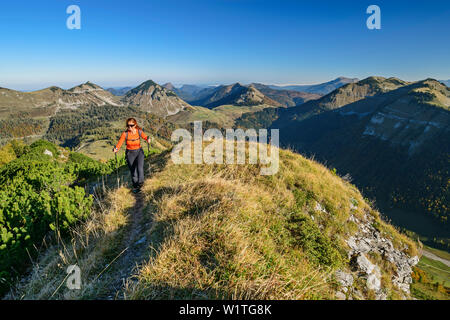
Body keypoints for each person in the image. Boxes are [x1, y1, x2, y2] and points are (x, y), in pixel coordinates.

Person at [113, 118, 150, 192]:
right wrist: (116, 149)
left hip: (139, 152)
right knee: (133, 171)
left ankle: (141, 184)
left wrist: (147, 139)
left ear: (135, 125)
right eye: (128, 125)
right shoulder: (125, 134)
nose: (129, 127)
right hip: (130, 153)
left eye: (131, 125)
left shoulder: (139, 131)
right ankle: (136, 187)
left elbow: (145, 137)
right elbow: (120, 142)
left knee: (140, 169)